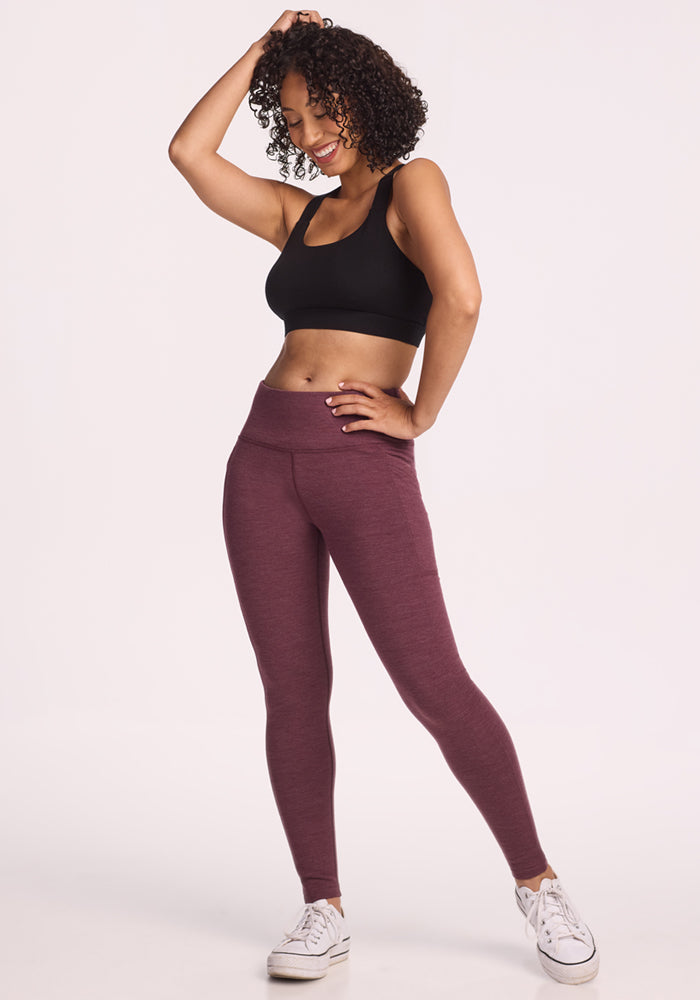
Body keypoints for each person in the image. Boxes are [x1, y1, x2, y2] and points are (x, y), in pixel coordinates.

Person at [168, 10, 599, 986]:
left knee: (430, 681)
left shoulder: (414, 182)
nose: (313, 131)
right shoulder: (300, 212)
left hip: (359, 458)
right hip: (259, 459)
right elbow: (190, 152)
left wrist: (421, 414)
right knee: (292, 689)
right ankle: (320, 904)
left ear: (367, 97)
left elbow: (463, 295)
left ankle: (537, 880)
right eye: (294, 116)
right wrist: (268, 49)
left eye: (324, 107)